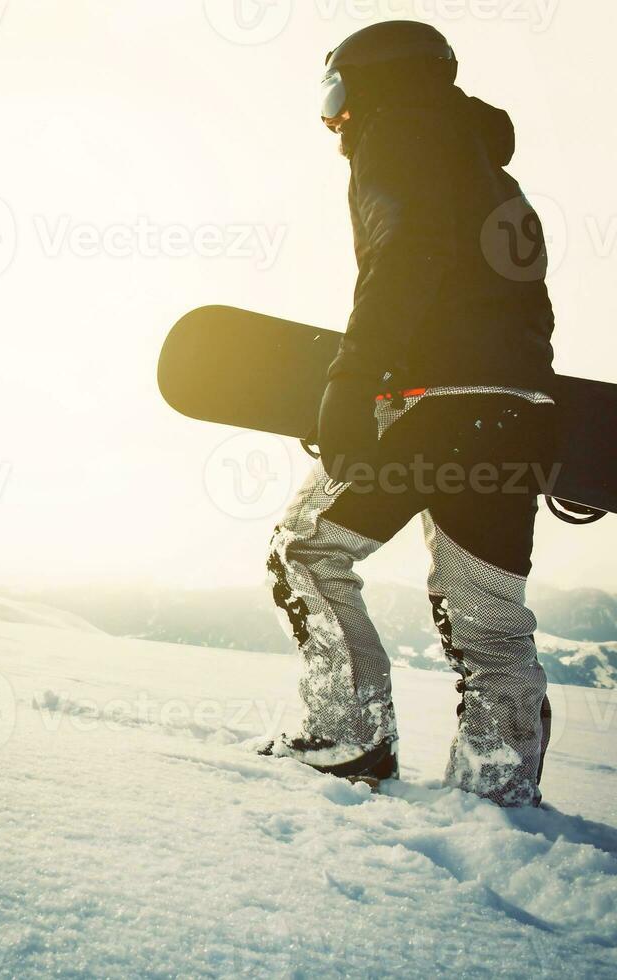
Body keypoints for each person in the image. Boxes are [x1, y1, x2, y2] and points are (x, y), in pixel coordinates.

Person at [262, 21, 556, 807]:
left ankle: (351, 735)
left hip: (427, 408)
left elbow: (406, 255)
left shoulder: (400, 133)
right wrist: (531, 410)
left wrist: (356, 378)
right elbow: (531, 310)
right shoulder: (494, 175)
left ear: (378, 84)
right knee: (489, 620)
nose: (335, 123)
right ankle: (498, 793)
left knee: (305, 552)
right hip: (512, 413)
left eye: (338, 96)